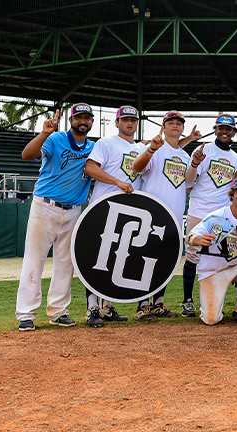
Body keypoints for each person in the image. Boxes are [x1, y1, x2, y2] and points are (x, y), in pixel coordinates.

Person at [15, 104, 95, 331]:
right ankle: (26, 314)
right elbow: (27, 155)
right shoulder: (55, 139)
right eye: (79, 117)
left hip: (73, 209)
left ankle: (58, 311)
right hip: (46, 205)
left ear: (91, 121)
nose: (83, 121)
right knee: (34, 258)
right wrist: (43, 133)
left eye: (87, 117)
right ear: (71, 120)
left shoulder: (93, 147)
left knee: (66, 262)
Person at [132, 110, 200, 322]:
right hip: (152, 213)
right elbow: (136, 168)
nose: (175, 125)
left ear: (182, 128)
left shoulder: (184, 155)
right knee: (146, 259)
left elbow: (188, 184)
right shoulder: (153, 148)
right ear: (163, 126)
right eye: (171, 122)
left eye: (179, 123)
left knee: (166, 261)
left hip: (174, 215)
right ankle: (143, 305)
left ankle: (158, 302)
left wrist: (195, 163)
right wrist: (151, 149)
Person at [82, 105, 141, 327]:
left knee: (116, 259)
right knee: (96, 260)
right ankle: (91, 308)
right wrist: (117, 182)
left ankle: (106, 308)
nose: (129, 123)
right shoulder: (105, 143)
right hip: (103, 207)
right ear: (116, 122)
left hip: (128, 210)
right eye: (125, 119)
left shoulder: (140, 148)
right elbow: (90, 168)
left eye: (133, 120)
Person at [182, 114, 237, 318]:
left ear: (234, 132)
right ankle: (187, 301)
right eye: (221, 128)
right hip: (198, 210)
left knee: (221, 258)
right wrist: (195, 164)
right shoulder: (204, 150)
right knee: (193, 255)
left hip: (221, 216)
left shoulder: (235, 157)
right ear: (215, 129)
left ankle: (218, 302)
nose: (225, 132)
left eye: (229, 129)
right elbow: (188, 182)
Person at [186, 177, 237, 325]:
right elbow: (189, 236)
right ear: (232, 194)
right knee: (211, 320)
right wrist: (198, 240)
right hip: (212, 271)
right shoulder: (216, 216)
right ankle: (214, 308)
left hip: (236, 268)